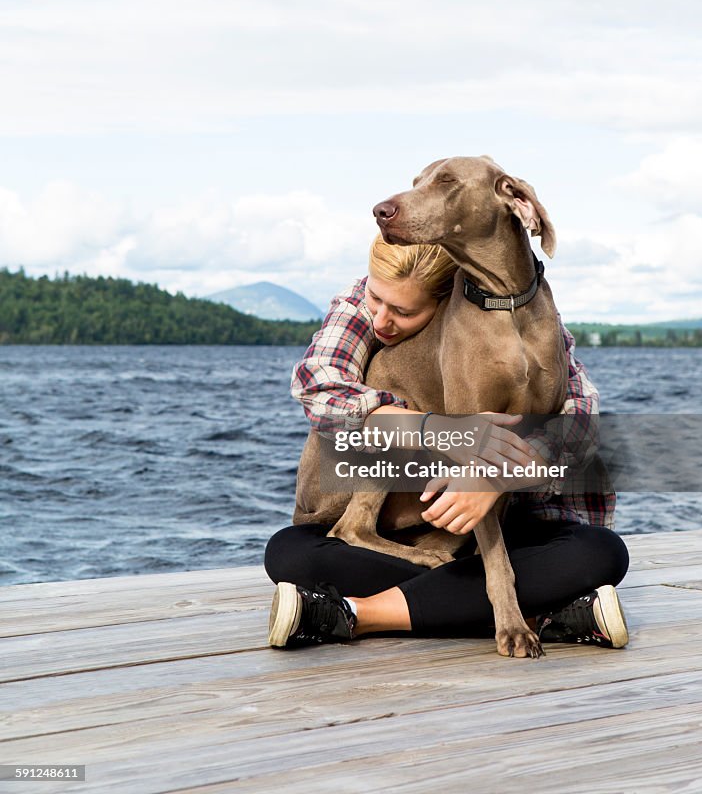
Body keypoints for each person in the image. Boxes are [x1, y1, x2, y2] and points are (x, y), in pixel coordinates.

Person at [264, 237, 629, 651]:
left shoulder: (513, 316)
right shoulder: (361, 304)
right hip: (387, 524)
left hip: (492, 529)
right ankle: (543, 610)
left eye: (403, 311)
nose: (381, 319)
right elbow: (320, 386)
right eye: (376, 298)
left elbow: (582, 417)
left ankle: (351, 613)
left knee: (601, 553)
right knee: (290, 554)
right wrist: (441, 430)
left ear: (447, 301)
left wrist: (496, 476)